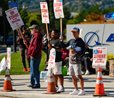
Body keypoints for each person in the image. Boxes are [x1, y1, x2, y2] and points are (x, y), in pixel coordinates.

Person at [66, 27, 86, 95]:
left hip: (77, 61)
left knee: (79, 75)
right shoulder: (71, 40)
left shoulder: (80, 41)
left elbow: (83, 51)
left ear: (78, 33)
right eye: (73, 32)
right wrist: (61, 41)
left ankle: (82, 90)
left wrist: (77, 51)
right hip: (71, 61)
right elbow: (65, 45)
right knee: (73, 76)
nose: (73, 33)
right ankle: (76, 89)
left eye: (75, 32)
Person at [28, 24, 43, 89]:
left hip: (35, 55)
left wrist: (32, 54)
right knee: (32, 70)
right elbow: (32, 46)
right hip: (34, 55)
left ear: (35, 29)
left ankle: (37, 83)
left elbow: (36, 47)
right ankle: (33, 82)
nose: (31, 30)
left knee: (35, 70)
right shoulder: (34, 36)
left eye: (32, 29)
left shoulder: (37, 36)